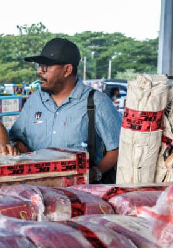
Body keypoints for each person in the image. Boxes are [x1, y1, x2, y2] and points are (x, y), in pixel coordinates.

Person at [9, 37, 121, 184]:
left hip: (81, 194)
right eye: (39, 66)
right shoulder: (35, 101)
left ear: (67, 70)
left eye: (46, 67)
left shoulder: (96, 102)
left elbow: (118, 148)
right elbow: (17, 138)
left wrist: (95, 173)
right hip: (37, 190)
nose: (39, 71)